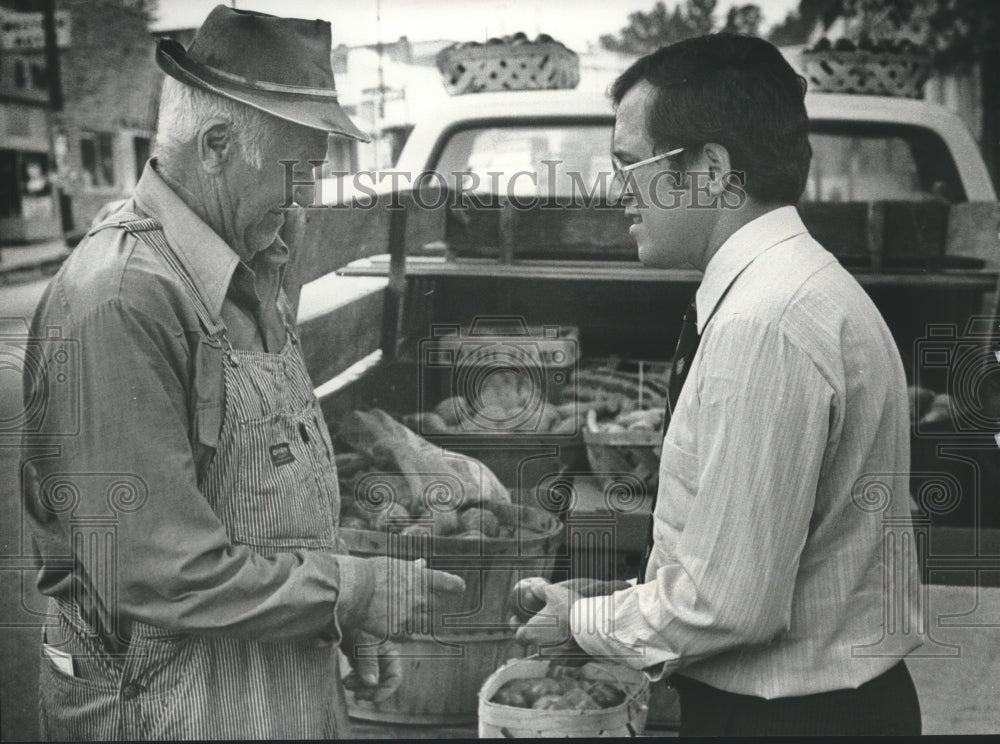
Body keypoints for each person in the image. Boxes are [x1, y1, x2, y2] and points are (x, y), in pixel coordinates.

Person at [22, 6, 464, 740]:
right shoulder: (120, 299)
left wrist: (335, 617)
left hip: (262, 693)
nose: (305, 200)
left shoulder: (250, 268)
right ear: (218, 145)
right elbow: (154, 568)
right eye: (296, 173)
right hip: (165, 706)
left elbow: (262, 498)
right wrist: (347, 592)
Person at [513, 33, 923, 736]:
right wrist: (627, 599)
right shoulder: (788, 291)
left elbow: (731, 602)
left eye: (629, 164)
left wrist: (580, 624)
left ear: (710, 167)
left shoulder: (767, 323)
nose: (619, 192)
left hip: (794, 721)